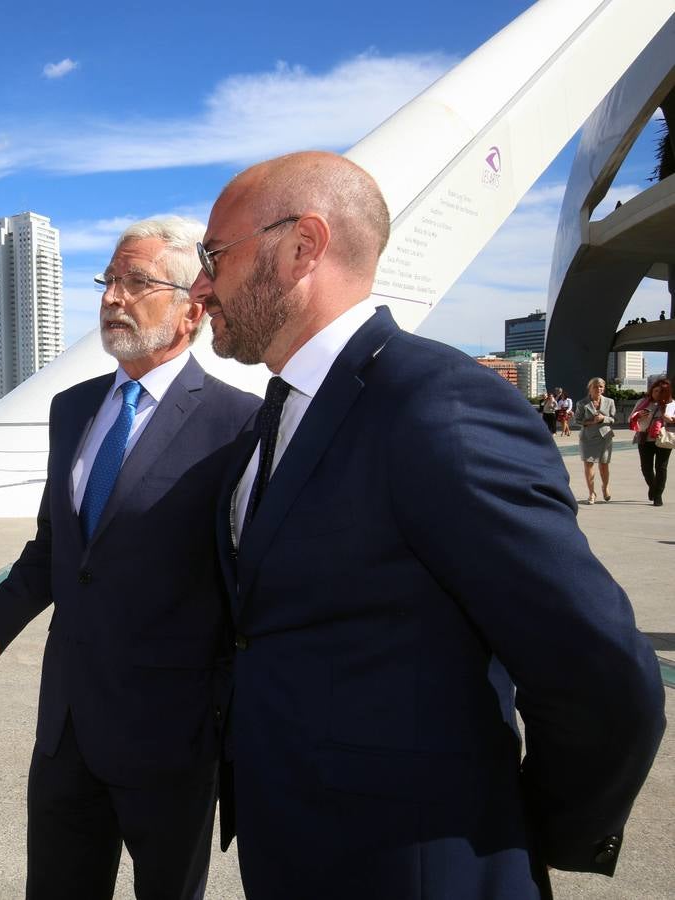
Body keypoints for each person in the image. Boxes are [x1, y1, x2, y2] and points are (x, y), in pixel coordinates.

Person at [193, 150, 665, 899]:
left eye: (212, 256)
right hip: (290, 851)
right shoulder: (270, 422)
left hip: (417, 869)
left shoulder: (437, 407)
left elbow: (599, 672)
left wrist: (517, 828)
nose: (198, 284)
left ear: (301, 247)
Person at [0, 217, 260, 899]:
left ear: (192, 309)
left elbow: (253, 582)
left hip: (172, 734)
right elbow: (55, 549)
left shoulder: (239, 424)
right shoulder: (73, 409)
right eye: (109, 280)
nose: (113, 297)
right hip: (67, 727)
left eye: (137, 281)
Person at [629, 372, 674, 507]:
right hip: (645, 438)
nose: (657, 394)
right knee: (646, 468)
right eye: (655, 391)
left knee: (661, 468)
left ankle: (658, 495)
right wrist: (638, 415)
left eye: (661, 392)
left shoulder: (672, 405)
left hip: (664, 439)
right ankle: (653, 487)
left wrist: (670, 419)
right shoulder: (643, 402)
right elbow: (630, 418)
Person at [578, 376, 616, 503]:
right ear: (590, 389)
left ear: (604, 389)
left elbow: (613, 419)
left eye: (601, 386)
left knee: (604, 465)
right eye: (595, 386)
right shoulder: (582, 403)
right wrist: (590, 421)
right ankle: (591, 493)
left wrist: (603, 419)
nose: (598, 389)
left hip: (605, 437)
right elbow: (577, 420)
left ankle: (605, 488)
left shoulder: (610, 402)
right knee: (588, 464)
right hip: (588, 438)